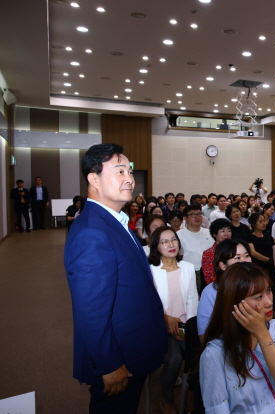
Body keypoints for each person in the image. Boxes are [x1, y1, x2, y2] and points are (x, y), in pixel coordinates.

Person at [65, 143, 167, 413]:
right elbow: (91, 308)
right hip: (118, 356)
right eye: (120, 171)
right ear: (93, 179)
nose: (130, 179)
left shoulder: (114, 221)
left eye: (130, 172)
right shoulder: (92, 231)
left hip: (132, 345)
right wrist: (108, 363)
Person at [200, 262, 275, 413]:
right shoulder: (215, 354)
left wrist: (263, 335)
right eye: (258, 297)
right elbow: (218, 409)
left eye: (269, 291)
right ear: (236, 303)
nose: (269, 302)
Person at [147, 226, 198, 414]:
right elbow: (148, 305)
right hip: (160, 327)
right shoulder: (151, 271)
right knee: (174, 359)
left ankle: (190, 394)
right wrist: (166, 319)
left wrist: (188, 328)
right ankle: (166, 398)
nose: (171, 244)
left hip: (185, 325)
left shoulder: (187, 268)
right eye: (165, 241)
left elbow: (192, 299)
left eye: (174, 239)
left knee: (202, 356)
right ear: (156, 246)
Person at [177, 203, 215, 286]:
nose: (197, 217)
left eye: (199, 214)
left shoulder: (209, 233)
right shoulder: (178, 235)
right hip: (188, 272)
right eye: (193, 215)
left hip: (209, 270)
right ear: (185, 218)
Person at [201, 219, 233, 286]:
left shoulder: (235, 250)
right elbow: (210, 278)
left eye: (229, 231)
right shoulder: (208, 253)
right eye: (223, 231)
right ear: (214, 234)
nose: (227, 234)